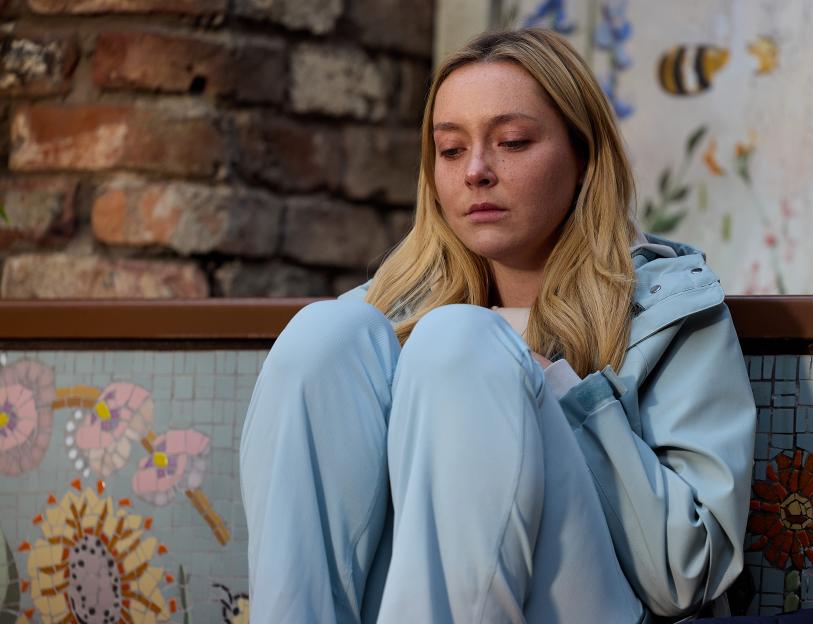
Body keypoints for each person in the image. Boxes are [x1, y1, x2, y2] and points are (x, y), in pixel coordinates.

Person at [239, 27, 756, 624]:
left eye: (511, 142)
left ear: (583, 156)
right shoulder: (386, 317)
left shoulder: (668, 308)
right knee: (321, 336)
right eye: (451, 150)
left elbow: (685, 573)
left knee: (458, 342)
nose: (476, 171)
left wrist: (561, 391)